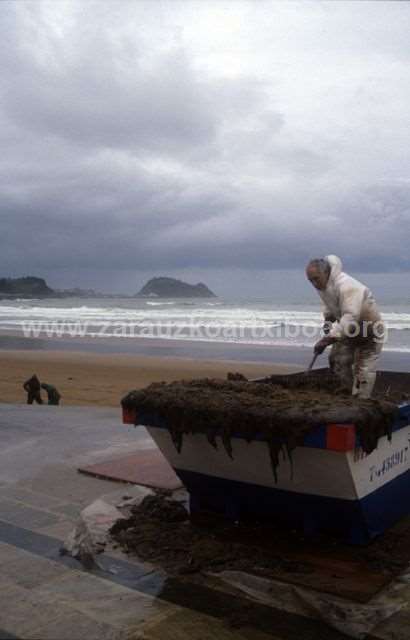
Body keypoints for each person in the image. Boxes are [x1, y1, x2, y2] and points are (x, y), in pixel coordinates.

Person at [306, 255, 384, 398]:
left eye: (316, 278)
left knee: (363, 369)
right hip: (350, 330)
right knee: (337, 359)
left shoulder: (347, 285)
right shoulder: (323, 286)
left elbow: (350, 316)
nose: (314, 283)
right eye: (310, 280)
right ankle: (346, 393)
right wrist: (328, 319)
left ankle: (360, 402)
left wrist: (328, 339)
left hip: (370, 330)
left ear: (325, 273)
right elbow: (330, 303)